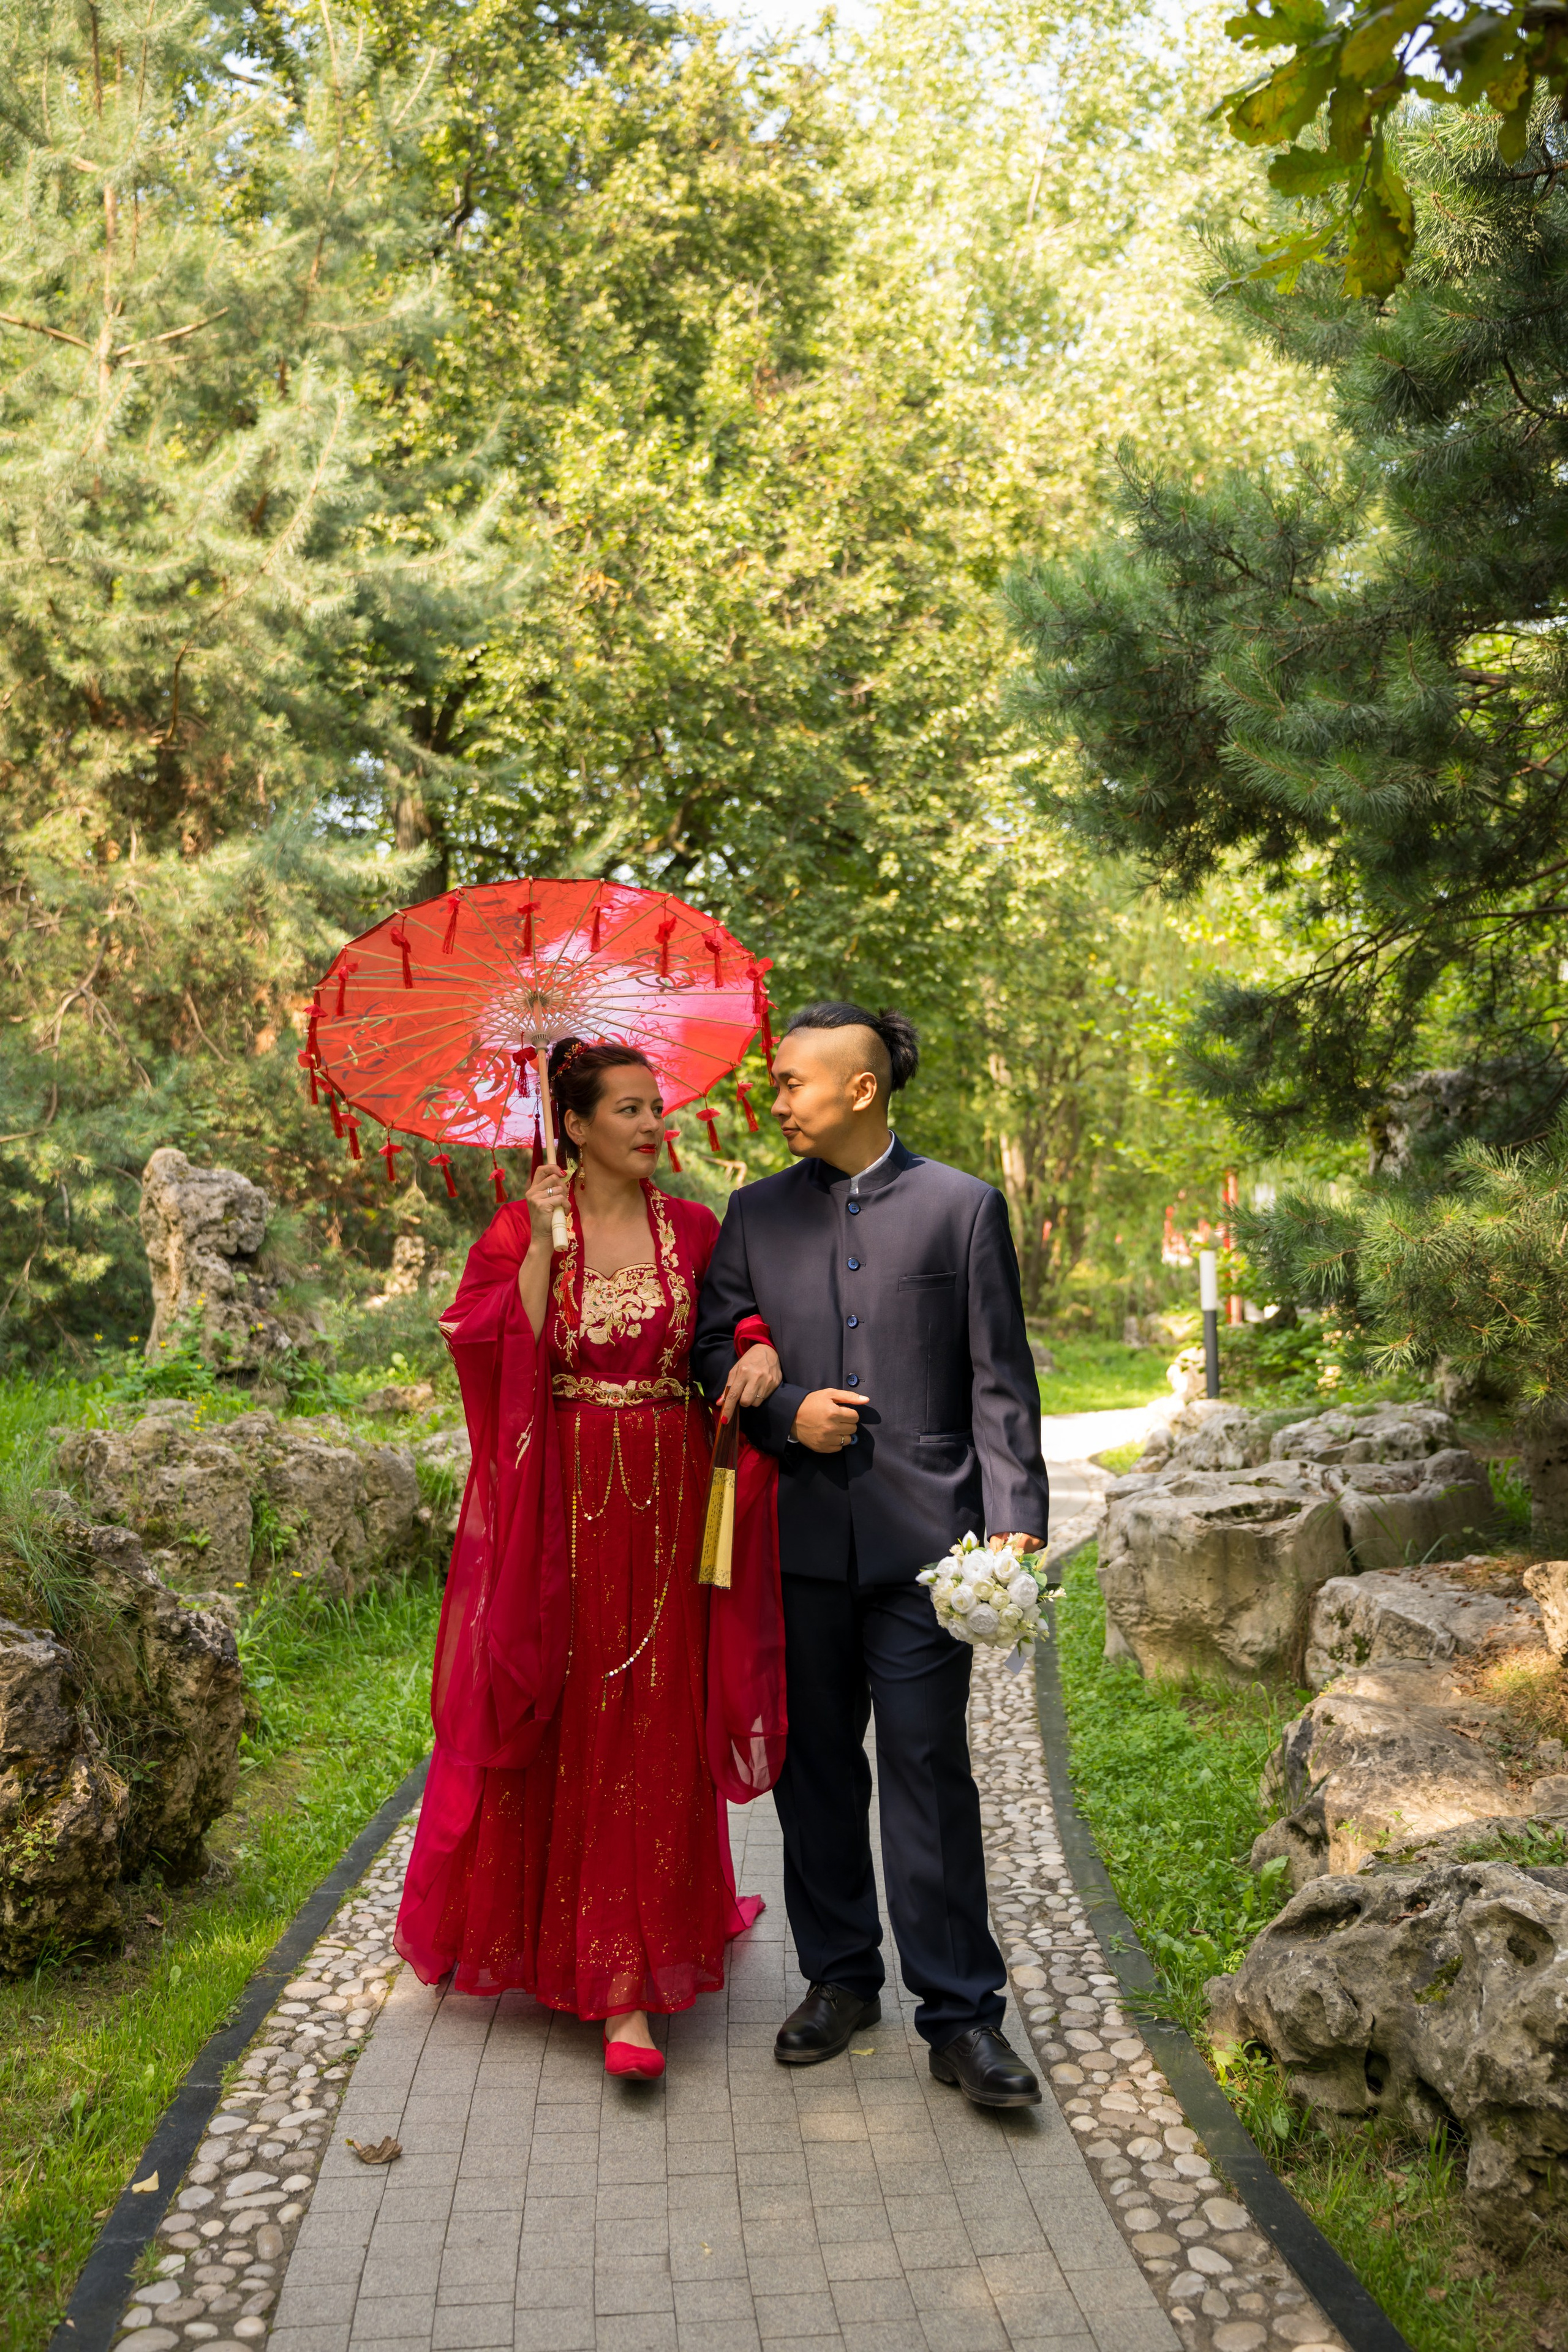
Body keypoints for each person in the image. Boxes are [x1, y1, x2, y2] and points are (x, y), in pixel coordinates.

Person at [394, 1039, 784, 2079]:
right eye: (629, 1110)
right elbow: (489, 1354)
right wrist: (541, 1248)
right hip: (557, 1507)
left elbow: (734, 1321)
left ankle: (629, 1991)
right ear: (573, 1125)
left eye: (658, 1107)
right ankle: (552, 1944)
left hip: (666, 1504)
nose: (655, 1125)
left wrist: (756, 1344)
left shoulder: (694, 1229)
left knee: (650, 1718)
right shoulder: (524, 1227)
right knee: (562, 1706)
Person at [692, 1001, 1050, 2108]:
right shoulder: (751, 1216)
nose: (778, 1098)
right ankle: (840, 1979)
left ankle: (962, 2018)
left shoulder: (963, 1208)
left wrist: (1018, 1516)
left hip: (927, 1547)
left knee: (928, 1770)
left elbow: (1001, 1376)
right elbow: (711, 1346)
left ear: (862, 1087)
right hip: (794, 1545)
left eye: (795, 1080)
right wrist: (784, 1410)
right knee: (816, 1774)